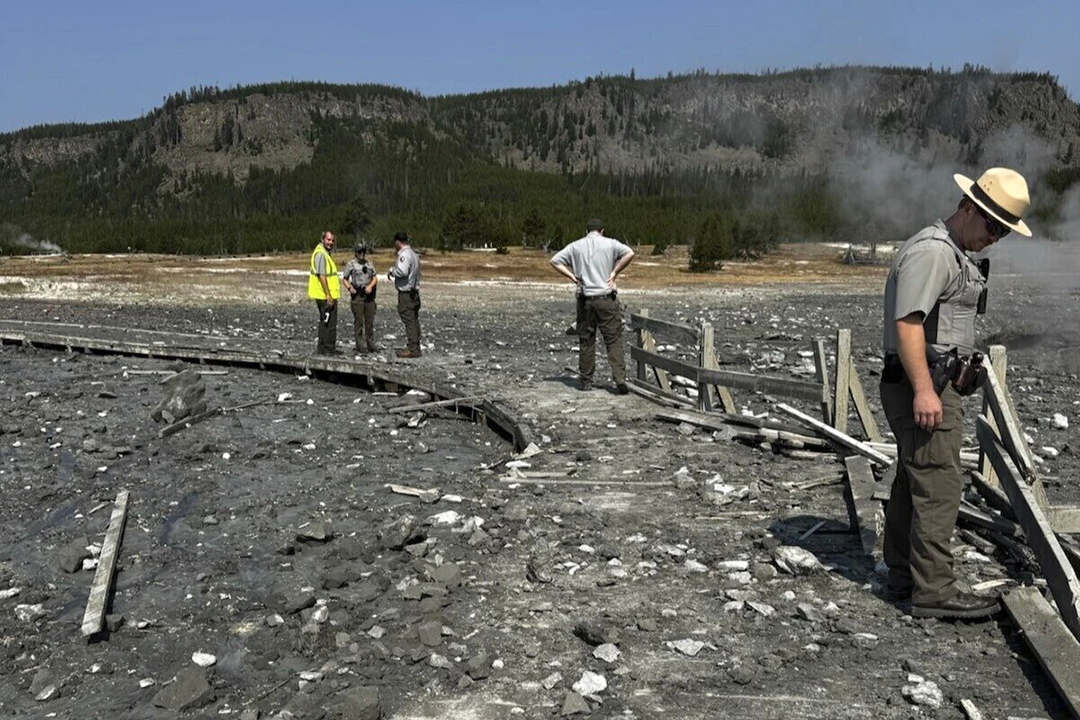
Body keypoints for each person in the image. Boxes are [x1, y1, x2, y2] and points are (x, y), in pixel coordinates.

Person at [880, 167, 1031, 619]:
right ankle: (935, 592)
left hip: (929, 380)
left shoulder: (952, 252)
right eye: (992, 226)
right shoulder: (934, 253)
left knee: (915, 479)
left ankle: (905, 577)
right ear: (968, 208)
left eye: (1003, 231)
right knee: (940, 483)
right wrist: (926, 391)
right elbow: (907, 324)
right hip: (922, 383)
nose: (996, 237)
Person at [550, 218, 635, 393]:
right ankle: (619, 378)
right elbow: (629, 253)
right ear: (602, 231)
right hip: (606, 297)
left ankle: (586, 381)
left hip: (585, 298)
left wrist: (572, 277)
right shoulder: (611, 244)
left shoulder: (576, 246)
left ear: (586, 231)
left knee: (586, 340)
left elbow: (555, 260)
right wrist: (614, 272)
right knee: (613, 340)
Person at [387, 231, 422, 358]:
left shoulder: (404, 255)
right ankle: (415, 345)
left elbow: (402, 271)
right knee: (414, 319)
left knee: (409, 320)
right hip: (414, 292)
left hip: (406, 293)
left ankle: (413, 348)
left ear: (398, 242)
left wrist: (392, 271)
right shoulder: (414, 254)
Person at [307, 231, 340, 355]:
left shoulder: (323, 253)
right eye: (328, 240)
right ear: (322, 239)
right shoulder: (321, 254)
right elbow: (322, 276)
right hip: (324, 295)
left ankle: (322, 348)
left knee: (324, 321)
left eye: (332, 240)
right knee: (330, 323)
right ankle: (328, 349)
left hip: (322, 294)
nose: (330, 243)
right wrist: (328, 295)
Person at [342, 243, 379, 353]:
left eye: (363, 251)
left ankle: (371, 344)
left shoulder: (369, 263)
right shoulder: (351, 264)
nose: (362, 254)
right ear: (356, 253)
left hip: (369, 295)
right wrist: (349, 288)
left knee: (369, 321)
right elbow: (344, 278)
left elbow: (375, 277)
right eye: (359, 252)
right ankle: (360, 345)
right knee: (359, 322)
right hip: (358, 294)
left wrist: (370, 286)